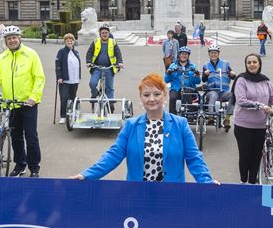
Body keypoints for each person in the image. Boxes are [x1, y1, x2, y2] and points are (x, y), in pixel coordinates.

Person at [74, 73, 214, 183]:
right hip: (137, 195)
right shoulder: (130, 126)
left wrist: (207, 182)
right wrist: (86, 175)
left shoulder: (181, 124)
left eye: (157, 94)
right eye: (146, 95)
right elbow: (112, 156)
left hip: (172, 196)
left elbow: (194, 158)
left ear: (165, 96)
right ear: (141, 98)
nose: (151, 99)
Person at [0, 25, 46, 177]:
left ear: (20, 38)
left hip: (27, 103)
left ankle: (34, 168)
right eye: (8, 38)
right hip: (10, 104)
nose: (12, 40)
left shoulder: (31, 54)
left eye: (14, 37)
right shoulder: (2, 57)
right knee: (16, 136)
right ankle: (20, 165)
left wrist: (34, 97)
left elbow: (39, 77)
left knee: (31, 136)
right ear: (5, 41)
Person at [232, 54, 273, 184]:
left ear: (259, 64)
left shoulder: (265, 81)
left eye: (255, 62)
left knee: (256, 157)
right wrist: (260, 105)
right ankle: (244, 182)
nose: (252, 64)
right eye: (249, 62)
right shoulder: (241, 80)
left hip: (261, 125)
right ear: (246, 65)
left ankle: (252, 183)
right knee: (245, 156)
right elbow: (241, 100)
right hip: (244, 126)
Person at [87, 23, 124, 106]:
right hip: (97, 67)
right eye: (102, 33)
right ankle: (94, 93)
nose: (104, 34)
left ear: (109, 34)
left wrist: (120, 62)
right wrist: (88, 61)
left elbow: (118, 53)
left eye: (106, 33)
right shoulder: (96, 41)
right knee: (92, 83)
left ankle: (110, 104)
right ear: (100, 34)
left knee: (109, 87)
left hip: (109, 68)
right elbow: (89, 52)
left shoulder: (113, 42)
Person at [201, 45, 235, 123]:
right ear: (209, 54)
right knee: (213, 95)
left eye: (215, 53)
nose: (214, 54)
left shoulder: (225, 64)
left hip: (223, 91)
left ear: (218, 54)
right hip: (211, 91)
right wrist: (205, 74)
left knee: (233, 95)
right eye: (212, 53)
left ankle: (227, 118)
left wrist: (233, 74)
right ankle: (211, 116)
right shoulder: (206, 65)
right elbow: (203, 80)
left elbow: (232, 76)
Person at [55, 33, 81, 124]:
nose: (70, 42)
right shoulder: (61, 52)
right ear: (65, 42)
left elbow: (78, 66)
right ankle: (63, 116)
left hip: (75, 79)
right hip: (65, 79)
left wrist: (79, 77)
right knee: (64, 98)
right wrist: (59, 77)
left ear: (74, 41)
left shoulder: (76, 52)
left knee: (73, 97)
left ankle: (72, 113)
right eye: (67, 40)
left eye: (71, 40)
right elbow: (58, 65)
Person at [165, 46, 200, 113]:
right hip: (176, 88)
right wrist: (169, 73)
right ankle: (172, 115)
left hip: (189, 88)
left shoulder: (192, 66)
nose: (184, 56)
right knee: (173, 97)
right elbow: (166, 80)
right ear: (179, 55)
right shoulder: (173, 65)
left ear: (188, 56)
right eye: (182, 54)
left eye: (186, 54)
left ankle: (190, 113)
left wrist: (197, 76)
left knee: (187, 93)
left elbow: (197, 82)